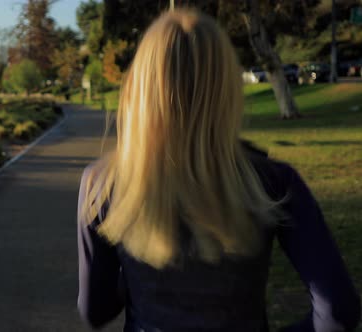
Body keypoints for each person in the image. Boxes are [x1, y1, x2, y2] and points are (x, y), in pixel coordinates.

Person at [77, 9, 360, 332]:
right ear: (226, 88)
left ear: (140, 89)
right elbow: (338, 312)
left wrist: (133, 272)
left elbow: (95, 311)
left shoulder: (102, 184)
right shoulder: (273, 182)